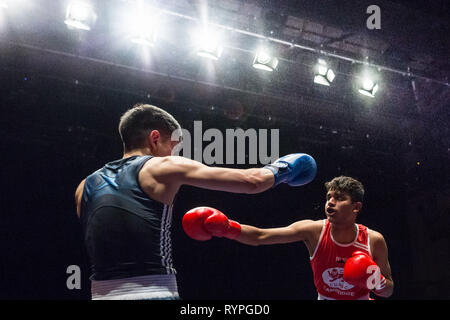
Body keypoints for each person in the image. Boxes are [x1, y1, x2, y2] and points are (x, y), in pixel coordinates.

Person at [74, 103, 317, 300]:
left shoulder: (85, 186)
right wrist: (283, 168)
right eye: (172, 146)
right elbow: (251, 181)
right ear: (155, 138)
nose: (172, 154)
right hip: (154, 292)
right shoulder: (161, 166)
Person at [183, 176, 394, 300]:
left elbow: (388, 290)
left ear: (356, 207)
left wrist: (376, 281)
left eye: (339, 199)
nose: (330, 203)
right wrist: (228, 227)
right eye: (329, 197)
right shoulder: (313, 231)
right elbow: (261, 236)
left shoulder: (373, 240)